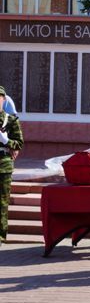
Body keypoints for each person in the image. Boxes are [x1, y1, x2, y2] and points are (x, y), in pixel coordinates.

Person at [0, 87, 23, 246]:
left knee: (1, 203)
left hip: (3, 165)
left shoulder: (10, 120)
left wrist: (6, 141)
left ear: (4, 100)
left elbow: (19, 143)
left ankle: (0, 236)